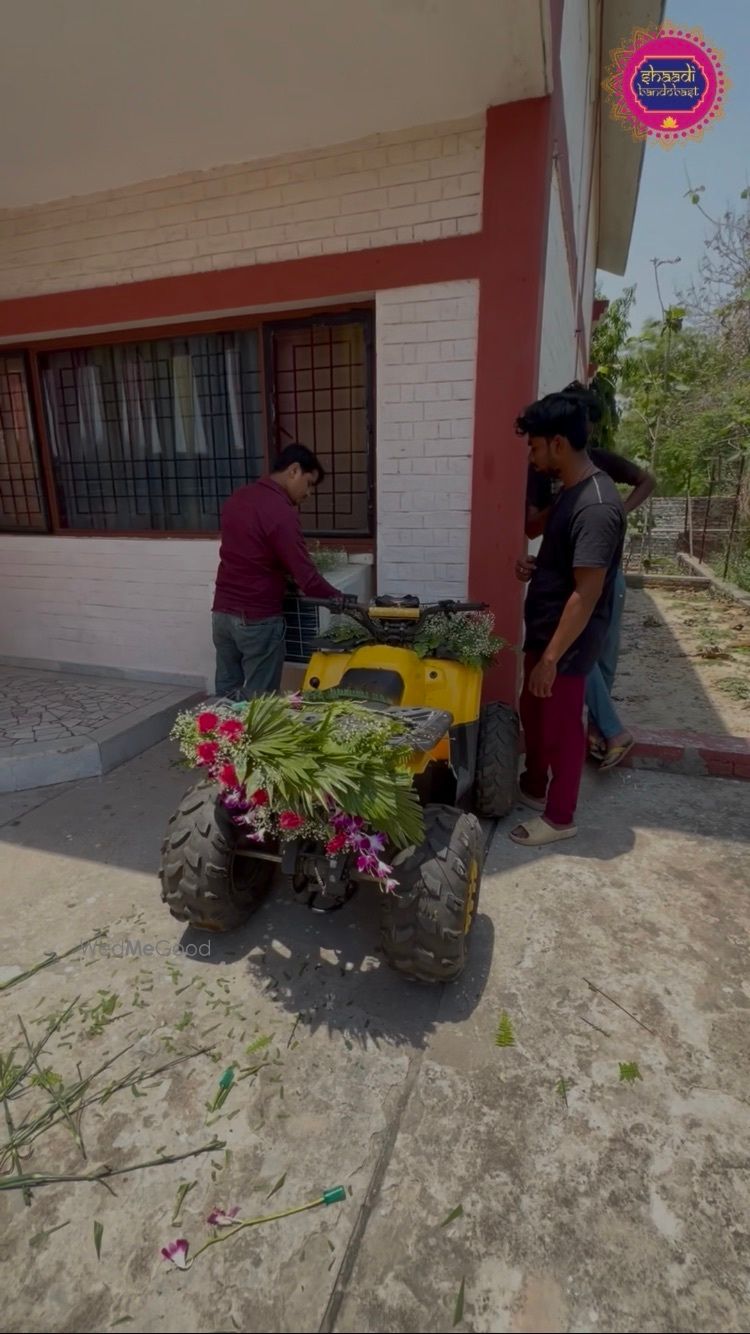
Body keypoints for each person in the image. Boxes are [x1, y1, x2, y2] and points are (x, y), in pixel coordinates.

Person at [513, 394, 626, 847]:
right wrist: (535, 568)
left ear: (558, 443)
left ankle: (560, 818)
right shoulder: (570, 492)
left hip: (569, 642)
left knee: (561, 727)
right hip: (546, 630)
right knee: (534, 714)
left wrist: (552, 658)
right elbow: (567, 566)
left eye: (535, 446)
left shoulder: (597, 505)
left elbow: (588, 591)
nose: (532, 455)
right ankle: (535, 787)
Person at [525, 382, 654, 770]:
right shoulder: (548, 471)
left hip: (593, 578)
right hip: (564, 577)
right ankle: (602, 729)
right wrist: (566, 500)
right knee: (575, 664)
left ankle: (605, 729)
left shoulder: (596, 479)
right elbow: (532, 528)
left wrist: (614, 514)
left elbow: (646, 481)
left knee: (593, 656)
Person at [211, 443, 345, 699]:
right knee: (260, 701)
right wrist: (336, 596)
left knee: (226, 693)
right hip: (256, 619)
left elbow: (251, 553)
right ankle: (254, 738)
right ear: (294, 470)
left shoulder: (237, 498)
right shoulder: (280, 510)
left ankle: (220, 737)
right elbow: (306, 576)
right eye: (309, 483)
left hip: (221, 615)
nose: (309, 493)